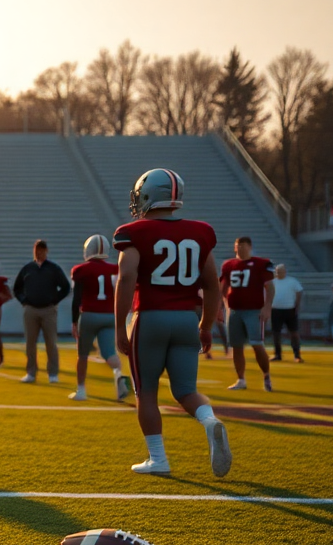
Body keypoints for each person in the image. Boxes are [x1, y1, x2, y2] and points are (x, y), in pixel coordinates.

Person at [113, 167, 230, 477]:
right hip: (186, 320)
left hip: (150, 317)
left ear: (149, 195)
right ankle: (209, 421)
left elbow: (126, 279)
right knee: (186, 391)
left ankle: (158, 459)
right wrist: (205, 326)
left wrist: (119, 327)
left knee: (147, 391)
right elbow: (212, 285)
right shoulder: (201, 231)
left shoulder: (133, 232)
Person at [69, 235, 131, 401]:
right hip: (110, 316)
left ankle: (81, 390)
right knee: (109, 353)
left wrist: (74, 321)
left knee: (82, 355)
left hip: (89, 315)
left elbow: (77, 299)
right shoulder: (115, 269)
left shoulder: (81, 269)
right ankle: (118, 375)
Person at [220, 236, 275, 391]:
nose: (240, 248)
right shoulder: (228, 265)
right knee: (236, 347)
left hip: (254, 310)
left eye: (243, 245)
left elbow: (269, 287)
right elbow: (223, 288)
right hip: (235, 311)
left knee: (257, 344)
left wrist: (267, 307)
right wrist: (224, 305)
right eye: (237, 245)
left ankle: (266, 376)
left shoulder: (262, 263)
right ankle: (241, 379)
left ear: (250, 246)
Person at [13, 239, 70, 383]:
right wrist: (24, 301)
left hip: (48, 310)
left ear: (47, 251)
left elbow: (65, 287)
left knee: (51, 342)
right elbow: (17, 288)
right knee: (30, 343)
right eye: (38, 250)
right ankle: (31, 373)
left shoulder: (53, 268)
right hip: (31, 309)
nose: (40, 252)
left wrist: (54, 300)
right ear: (34, 251)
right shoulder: (28, 269)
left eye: (43, 250)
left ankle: (53, 373)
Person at [269, 264, 304, 363]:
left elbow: (299, 292)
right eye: (277, 271)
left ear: (285, 271)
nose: (278, 273)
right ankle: (277, 354)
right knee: (276, 333)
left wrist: (297, 305)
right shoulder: (272, 282)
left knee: (294, 332)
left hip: (289, 310)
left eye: (280, 271)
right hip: (275, 310)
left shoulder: (292, 281)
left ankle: (297, 355)